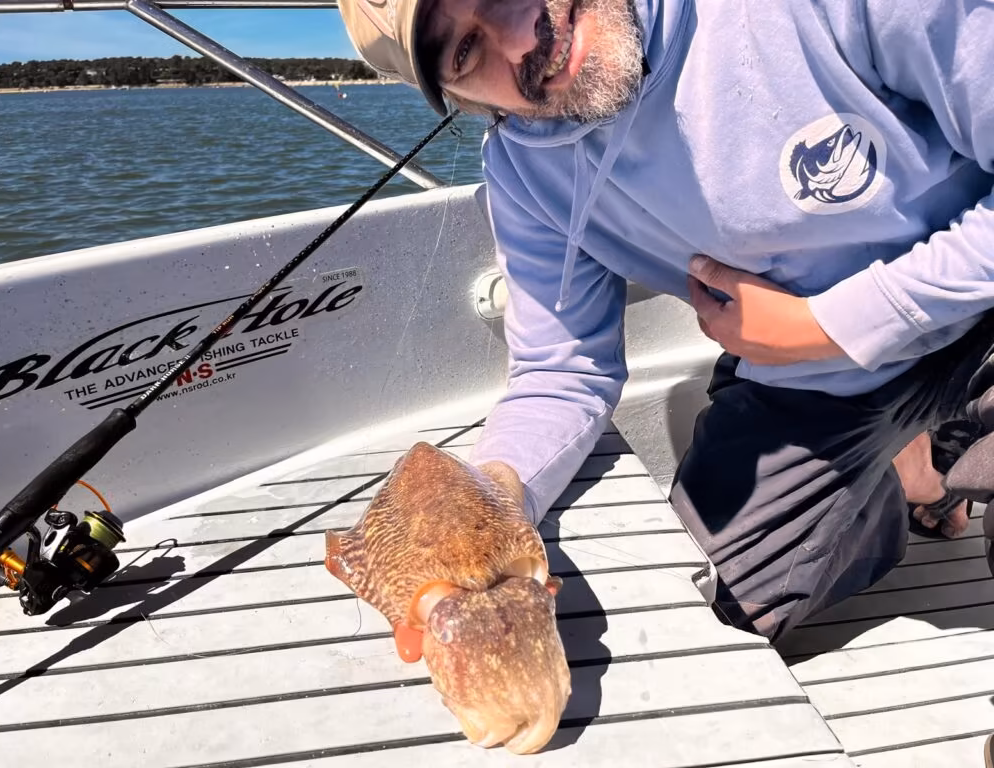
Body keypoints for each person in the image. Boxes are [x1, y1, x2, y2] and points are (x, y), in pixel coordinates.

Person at [336, 0, 994, 754]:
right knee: (708, 607)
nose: (521, 42)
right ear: (462, 99)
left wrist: (835, 323)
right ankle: (914, 476)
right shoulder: (524, 170)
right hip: (813, 379)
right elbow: (561, 368)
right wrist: (487, 506)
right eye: (464, 53)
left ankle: (945, 444)